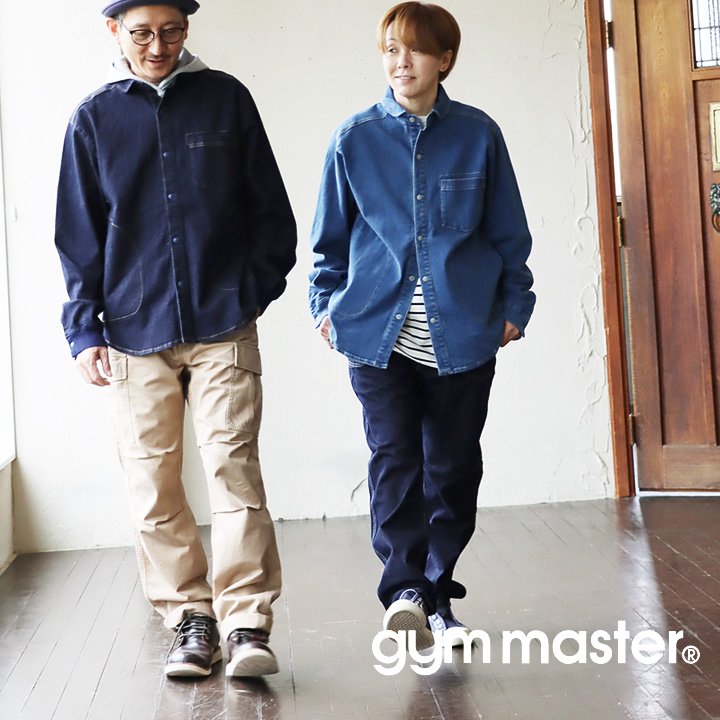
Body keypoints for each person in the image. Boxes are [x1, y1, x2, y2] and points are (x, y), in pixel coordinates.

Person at [54, 0, 296, 678]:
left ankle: (246, 624)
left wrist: (251, 291)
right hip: (134, 332)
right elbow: (78, 236)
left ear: (187, 28)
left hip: (224, 324)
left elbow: (271, 213)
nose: (157, 47)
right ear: (114, 31)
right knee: (153, 484)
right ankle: (191, 619)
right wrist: (83, 329)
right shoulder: (93, 119)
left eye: (170, 31)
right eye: (141, 34)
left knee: (233, 469)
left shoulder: (227, 99)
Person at [309, 1, 535, 650]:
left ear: (445, 59)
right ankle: (405, 590)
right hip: (376, 335)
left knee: (455, 469)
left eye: (413, 49)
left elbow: (508, 231)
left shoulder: (479, 134)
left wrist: (515, 306)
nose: (400, 61)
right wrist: (324, 307)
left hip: (463, 333)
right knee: (395, 459)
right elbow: (328, 241)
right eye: (390, 49)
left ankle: (437, 592)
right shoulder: (353, 138)